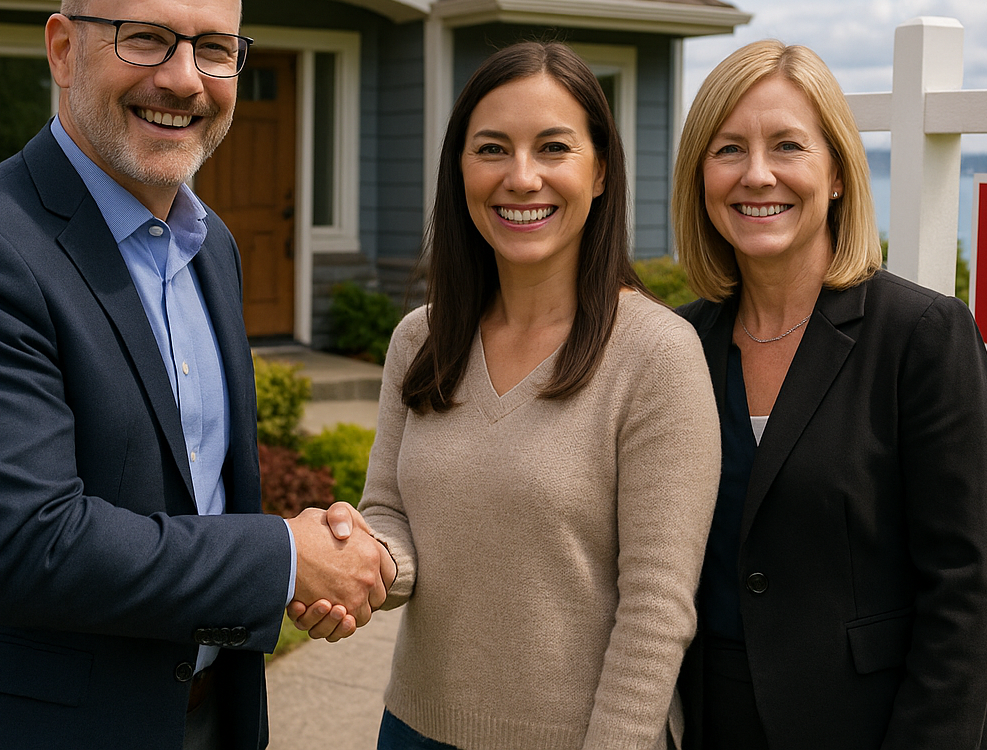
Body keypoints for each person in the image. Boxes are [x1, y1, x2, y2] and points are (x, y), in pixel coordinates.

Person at [0, 0, 393, 750]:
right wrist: (286, 559)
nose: (183, 79)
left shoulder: (211, 248)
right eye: (146, 38)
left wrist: (296, 571)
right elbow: (29, 548)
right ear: (64, 49)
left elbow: (194, 497)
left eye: (214, 49)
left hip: (205, 716)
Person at [305, 42, 720, 750]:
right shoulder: (421, 339)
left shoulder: (657, 355)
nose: (521, 178)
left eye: (553, 148)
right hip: (413, 729)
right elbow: (392, 514)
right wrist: (359, 562)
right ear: (460, 169)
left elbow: (657, 610)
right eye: (492, 149)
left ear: (600, 172)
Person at [670, 40, 987, 750]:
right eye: (728, 149)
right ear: (700, 177)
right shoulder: (678, 345)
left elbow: (965, 589)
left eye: (787, 145)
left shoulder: (923, 335)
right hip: (714, 722)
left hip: (880, 725)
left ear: (835, 174)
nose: (756, 174)